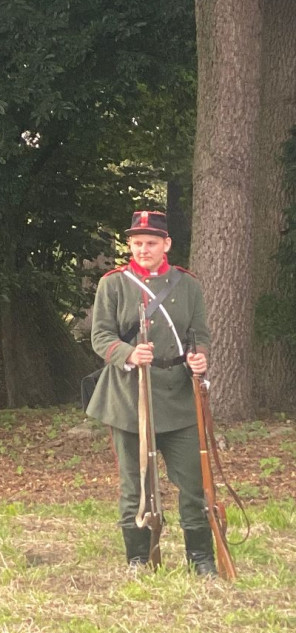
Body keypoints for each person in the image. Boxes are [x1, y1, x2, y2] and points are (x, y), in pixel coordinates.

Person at [85, 210, 216, 576]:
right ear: (130, 245)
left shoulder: (187, 284)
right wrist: (128, 354)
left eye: (151, 243)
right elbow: (100, 337)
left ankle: (200, 558)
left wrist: (199, 358)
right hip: (129, 398)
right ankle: (139, 559)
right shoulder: (113, 284)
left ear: (166, 245)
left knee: (192, 480)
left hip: (178, 396)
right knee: (135, 483)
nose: (143, 249)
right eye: (137, 243)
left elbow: (200, 334)